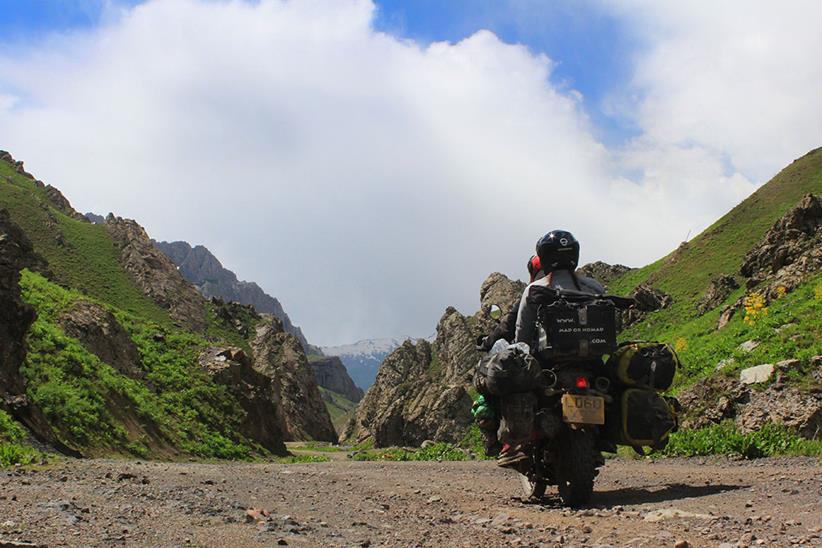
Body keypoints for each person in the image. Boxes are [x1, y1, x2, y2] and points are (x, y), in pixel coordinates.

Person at [495, 230, 605, 468]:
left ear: (543, 257)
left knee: (519, 383)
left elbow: (522, 334)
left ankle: (515, 443)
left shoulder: (534, 289)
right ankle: (599, 443)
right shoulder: (594, 287)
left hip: (549, 361)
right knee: (609, 388)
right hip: (593, 362)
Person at [473, 255, 546, 458]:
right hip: (587, 360)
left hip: (541, 360)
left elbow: (510, 324)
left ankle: (507, 442)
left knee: (496, 378)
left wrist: (488, 342)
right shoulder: (588, 287)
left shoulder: (533, 291)